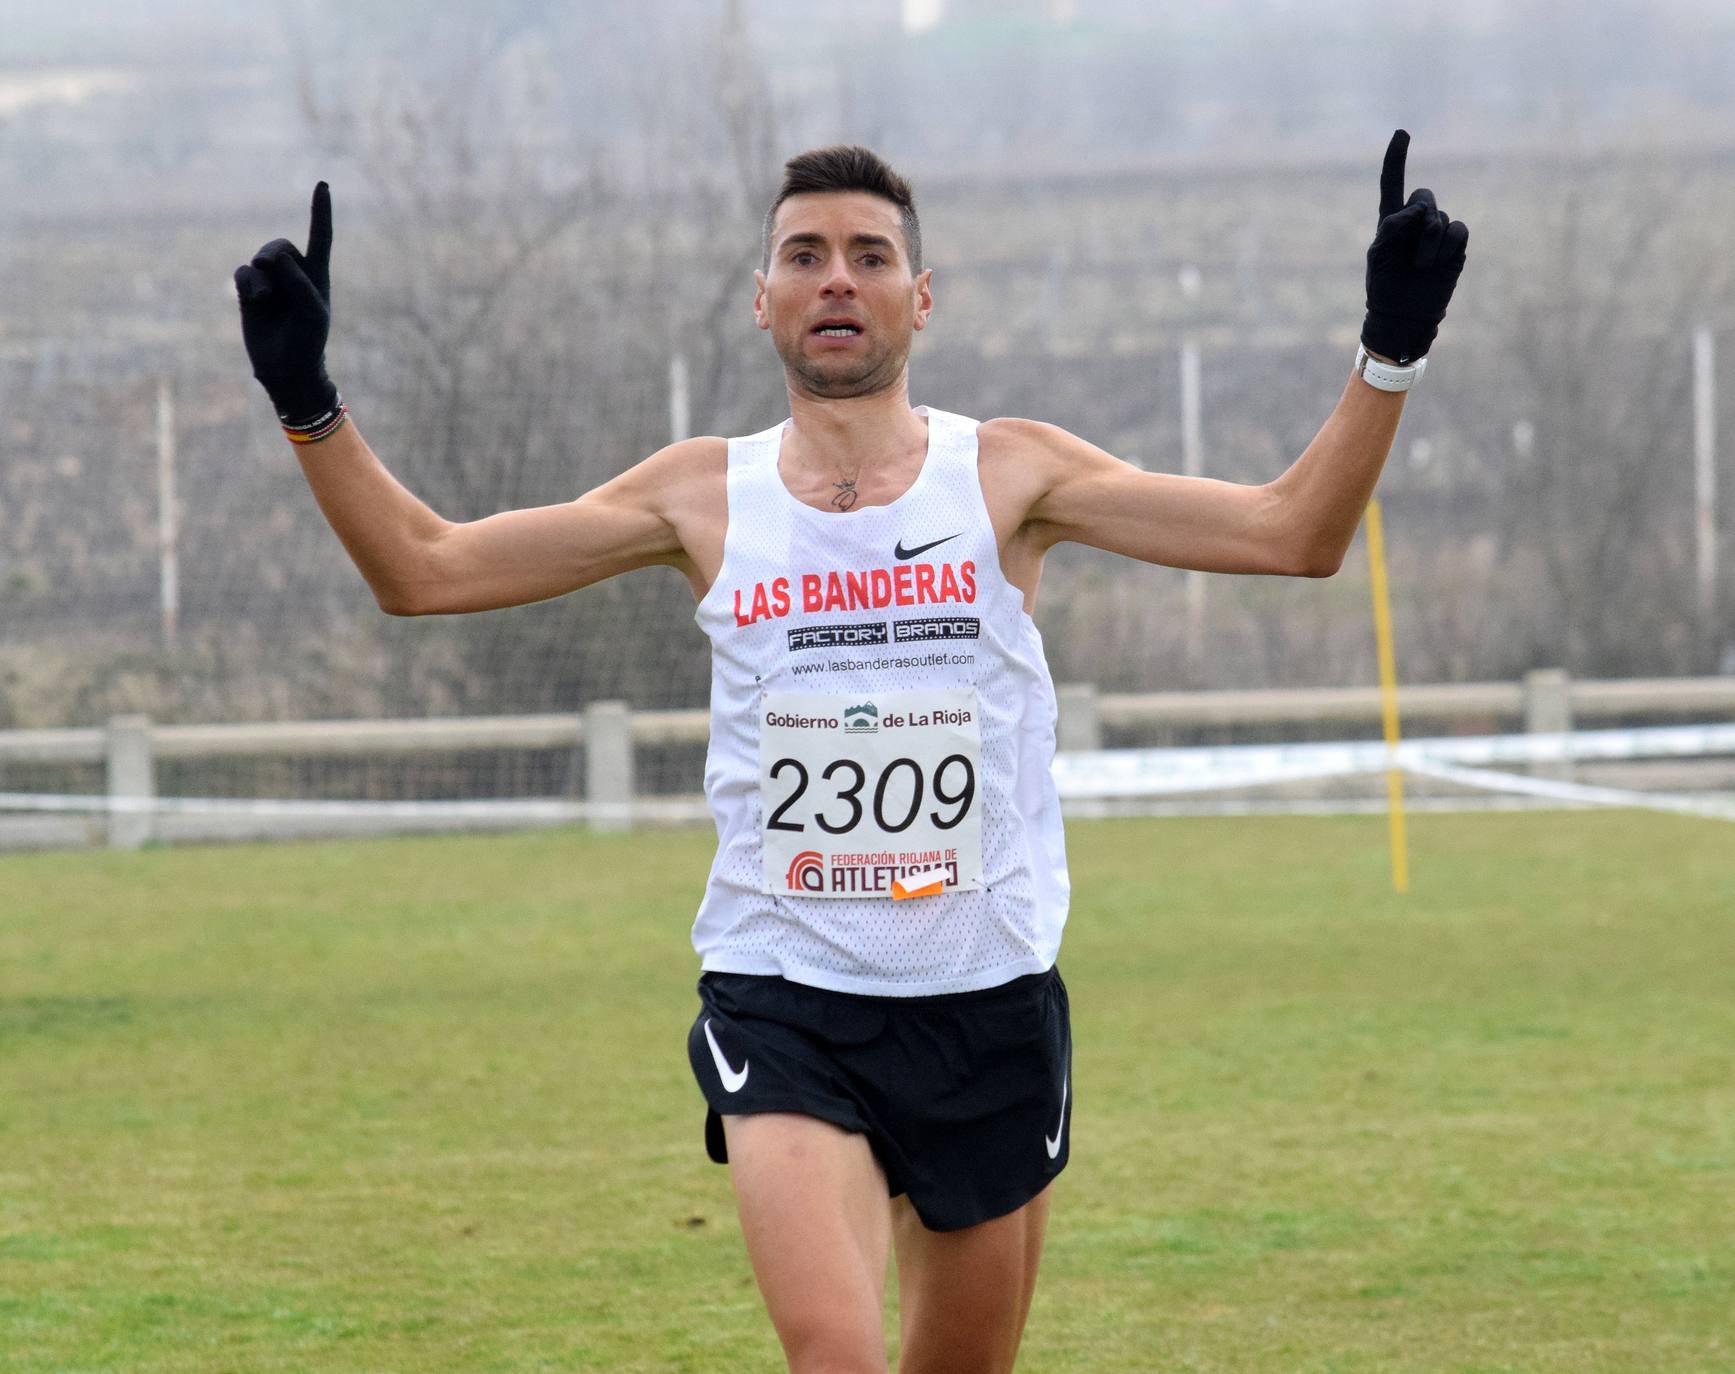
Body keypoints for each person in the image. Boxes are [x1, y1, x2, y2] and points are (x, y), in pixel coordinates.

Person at [234, 133, 1466, 1373]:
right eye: (804, 256)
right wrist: (309, 407)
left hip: (986, 1004)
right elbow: (425, 571)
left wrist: (1390, 351)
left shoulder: (1011, 472)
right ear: (760, 297)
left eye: (869, 256)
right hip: (787, 998)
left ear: (918, 300)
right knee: (836, 1360)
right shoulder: (700, 497)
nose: (836, 278)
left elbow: (1291, 534)